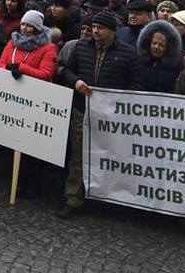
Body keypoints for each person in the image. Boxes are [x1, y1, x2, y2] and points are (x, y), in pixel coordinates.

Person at [56, 11, 141, 217]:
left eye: (100, 28)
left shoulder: (129, 54)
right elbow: (65, 71)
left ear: (112, 31)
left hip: (111, 117)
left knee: (107, 157)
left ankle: (102, 199)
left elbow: (134, 86)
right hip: (82, 110)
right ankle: (74, 197)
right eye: (93, 27)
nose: (95, 31)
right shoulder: (80, 47)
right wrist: (76, 81)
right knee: (78, 156)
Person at [0, 9, 57, 198]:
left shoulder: (48, 48)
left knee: (32, 147)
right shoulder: (12, 42)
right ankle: (17, 182)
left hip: (35, 101)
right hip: (14, 97)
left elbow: (47, 73)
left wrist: (22, 69)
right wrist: (7, 69)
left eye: (29, 25)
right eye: (23, 24)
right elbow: (1, 63)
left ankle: (33, 184)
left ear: (37, 28)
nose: (24, 28)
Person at [136, 20, 182, 93]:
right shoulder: (138, 62)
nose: (156, 47)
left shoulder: (175, 67)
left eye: (161, 45)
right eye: (154, 43)